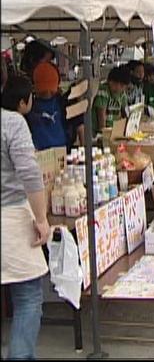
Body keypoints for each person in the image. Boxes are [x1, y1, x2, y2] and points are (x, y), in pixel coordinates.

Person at [1, 75, 51, 360]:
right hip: (10, 218)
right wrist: (41, 219)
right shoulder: (12, 122)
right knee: (28, 297)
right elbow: (30, 174)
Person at [26, 62, 69, 150]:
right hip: (39, 153)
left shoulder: (62, 102)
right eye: (43, 92)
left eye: (51, 91)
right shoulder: (30, 106)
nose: (48, 94)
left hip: (62, 150)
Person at [92, 66, 130, 135]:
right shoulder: (103, 91)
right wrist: (103, 134)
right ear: (111, 82)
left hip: (115, 131)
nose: (123, 89)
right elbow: (101, 116)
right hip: (100, 133)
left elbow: (126, 112)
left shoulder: (122, 94)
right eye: (121, 85)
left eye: (124, 87)